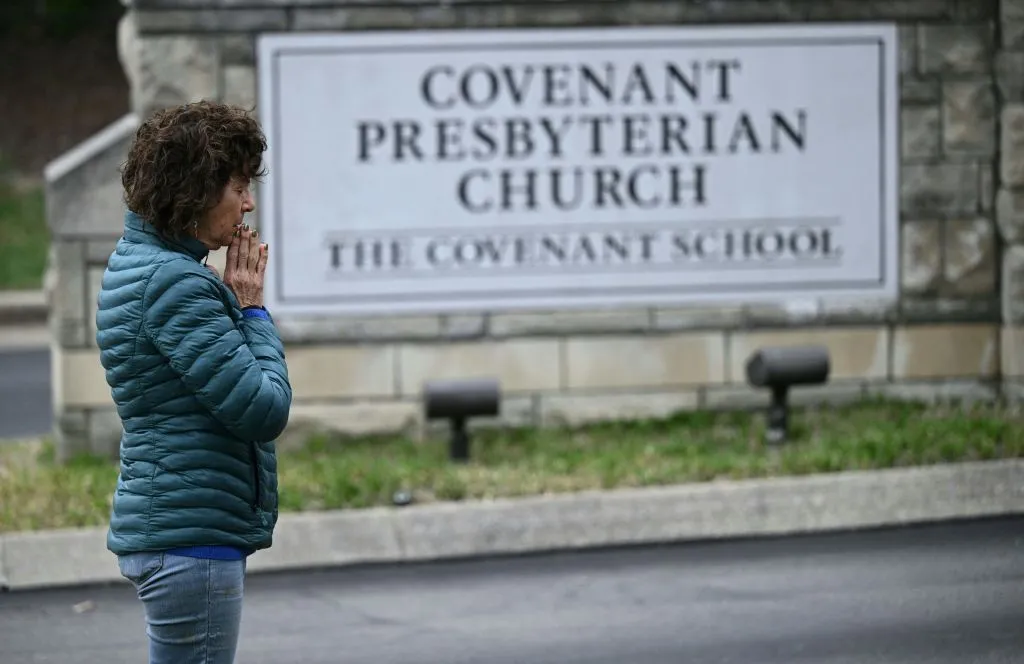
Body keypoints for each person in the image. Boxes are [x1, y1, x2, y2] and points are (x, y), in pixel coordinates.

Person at [95, 100, 293, 664]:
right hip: (189, 543)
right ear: (196, 188)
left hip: (175, 528)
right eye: (238, 185)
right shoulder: (174, 283)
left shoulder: (142, 262)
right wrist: (251, 309)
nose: (249, 202)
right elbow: (263, 408)